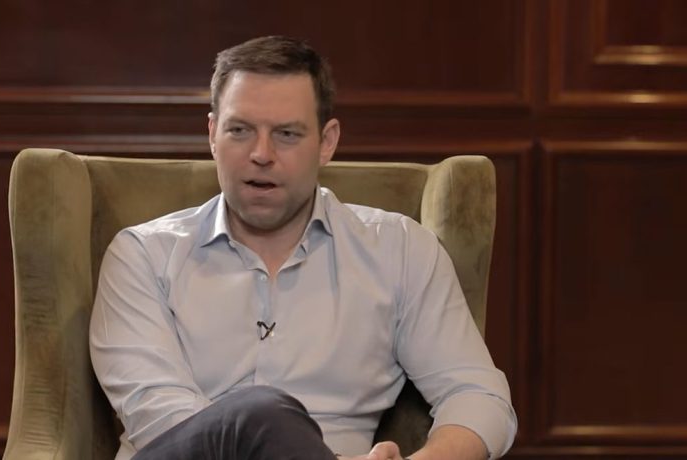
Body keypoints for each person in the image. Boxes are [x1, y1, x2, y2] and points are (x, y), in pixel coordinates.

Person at [90, 35, 517, 460]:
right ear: (213, 134)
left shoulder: (400, 250)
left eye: (287, 134)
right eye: (240, 130)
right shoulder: (142, 255)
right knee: (257, 415)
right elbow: (161, 417)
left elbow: (478, 395)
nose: (261, 154)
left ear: (327, 142)